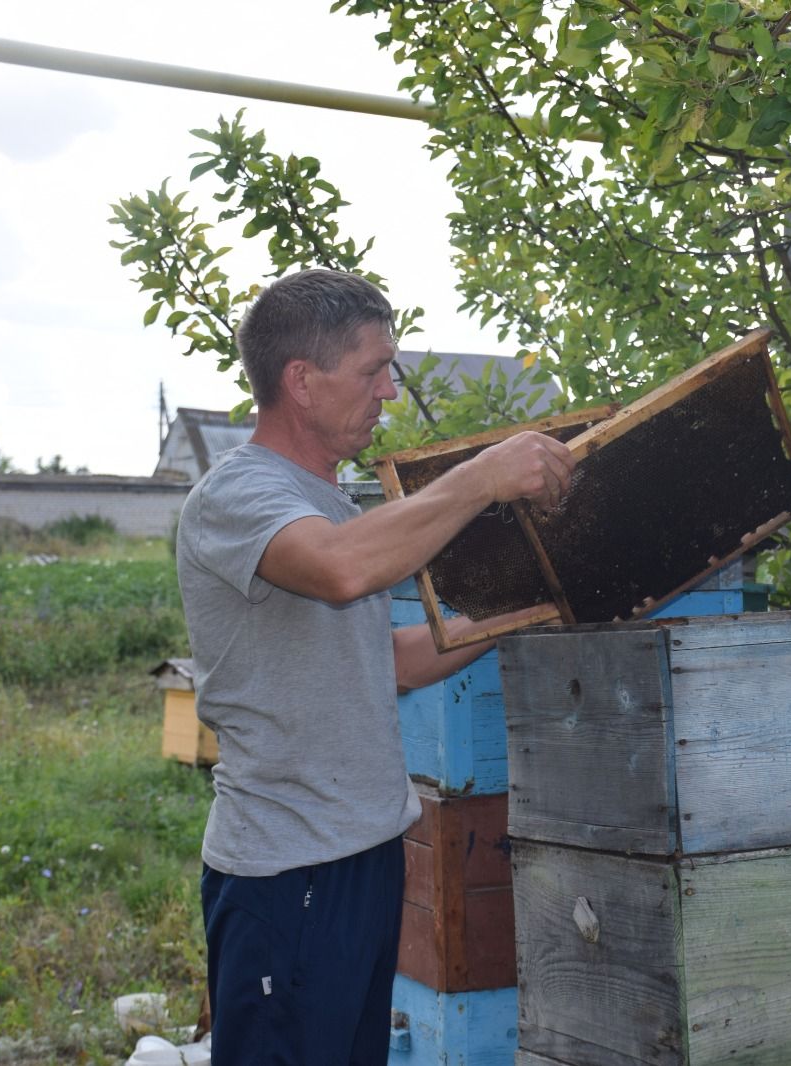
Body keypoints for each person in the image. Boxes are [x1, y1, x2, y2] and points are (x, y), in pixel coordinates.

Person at [176, 268, 574, 1064]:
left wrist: (533, 604)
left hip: (361, 856)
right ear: (301, 381)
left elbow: (380, 659)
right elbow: (340, 571)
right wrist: (483, 476)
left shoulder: (327, 501)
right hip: (287, 875)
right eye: (372, 369)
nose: (389, 390)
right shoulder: (238, 495)